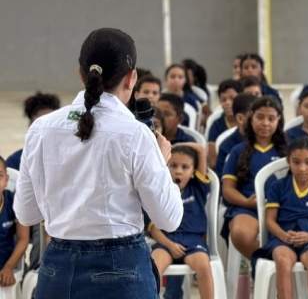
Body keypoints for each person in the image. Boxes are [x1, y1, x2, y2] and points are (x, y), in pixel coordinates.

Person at [13, 28, 182, 298]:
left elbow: (26, 214)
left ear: (80, 74)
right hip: (122, 271)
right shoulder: (135, 134)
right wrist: (160, 162)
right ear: (131, 78)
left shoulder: (42, 128)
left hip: (58, 269)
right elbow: (169, 218)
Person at [253, 138, 308, 299]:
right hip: (283, 237)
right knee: (283, 260)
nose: (302, 168)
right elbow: (270, 220)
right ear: (288, 162)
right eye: (296, 162)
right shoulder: (277, 186)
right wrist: (283, 236)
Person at [222, 96, 285, 259]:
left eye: (271, 118)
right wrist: (246, 201)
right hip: (248, 208)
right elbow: (227, 189)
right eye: (260, 117)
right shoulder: (238, 150)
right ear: (251, 118)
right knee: (240, 234)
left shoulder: (289, 150)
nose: (265, 123)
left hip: (284, 209)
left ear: (279, 120)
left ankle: (276, 264)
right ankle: (266, 261)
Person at [148, 142, 214, 299]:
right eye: (173, 166)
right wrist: (170, 245)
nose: (178, 171)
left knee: (204, 266)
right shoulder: (160, 190)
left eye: (185, 167)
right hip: (166, 241)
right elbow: (153, 228)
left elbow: (201, 150)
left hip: (193, 241)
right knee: (153, 268)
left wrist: (176, 145)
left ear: (193, 171)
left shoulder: (198, 188)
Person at [3, 92, 61, 170]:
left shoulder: (68, 157)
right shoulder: (16, 162)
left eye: (52, 123)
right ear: (31, 127)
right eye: (40, 124)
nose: (47, 129)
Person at [0, 156, 29, 293]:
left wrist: (9, 267)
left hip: (5, 266)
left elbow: (23, 239)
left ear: (6, 180)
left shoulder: (14, 202)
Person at [214, 92, 256, 180]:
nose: (261, 122)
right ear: (240, 118)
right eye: (256, 117)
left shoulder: (265, 140)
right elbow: (220, 180)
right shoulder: (226, 146)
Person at [207, 78, 241, 169]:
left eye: (232, 98)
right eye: (223, 100)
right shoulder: (216, 125)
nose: (228, 103)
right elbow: (212, 160)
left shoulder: (248, 123)